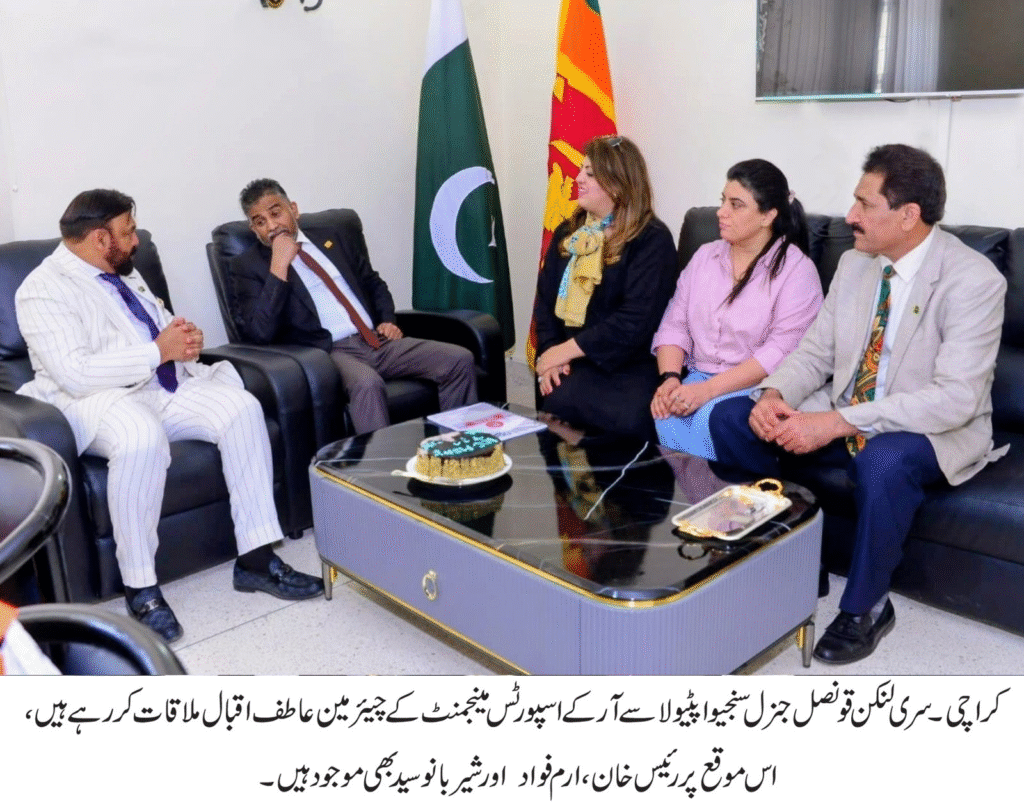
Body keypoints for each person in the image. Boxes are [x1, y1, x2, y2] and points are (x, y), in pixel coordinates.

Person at [708, 144, 1007, 664]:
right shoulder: (854, 264)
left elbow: (954, 399)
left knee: (883, 459)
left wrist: (835, 422)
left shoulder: (974, 281)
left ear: (908, 215)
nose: (850, 217)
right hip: (848, 406)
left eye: (865, 205)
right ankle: (788, 563)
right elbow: (815, 352)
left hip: (930, 427)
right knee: (733, 417)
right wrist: (774, 395)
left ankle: (866, 607)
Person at [14, 189, 323, 643]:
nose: (136, 241)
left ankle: (256, 559)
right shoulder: (42, 289)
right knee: (140, 436)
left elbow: (157, 329)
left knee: (240, 408)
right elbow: (75, 373)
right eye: (128, 233)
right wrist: (158, 350)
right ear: (100, 239)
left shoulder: (123, 271)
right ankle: (142, 589)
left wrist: (183, 339)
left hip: (160, 385)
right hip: (91, 401)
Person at [230, 179, 477, 434]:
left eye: (276, 213)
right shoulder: (248, 266)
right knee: (368, 384)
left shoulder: (331, 238)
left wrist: (387, 319)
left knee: (458, 360)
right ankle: (381, 460)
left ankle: (459, 446)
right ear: (254, 229)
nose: (272, 226)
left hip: (376, 339)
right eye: (260, 222)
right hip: (330, 352)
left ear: (293, 209)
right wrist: (278, 266)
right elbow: (260, 332)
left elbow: (372, 282)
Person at [650, 159, 823, 459]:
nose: (721, 212)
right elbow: (674, 325)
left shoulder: (796, 270)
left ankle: (724, 492)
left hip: (755, 386)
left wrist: (706, 391)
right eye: (722, 201)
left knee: (707, 421)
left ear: (768, 215)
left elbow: (780, 352)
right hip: (697, 376)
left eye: (736, 204)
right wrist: (670, 380)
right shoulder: (704, 257)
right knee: (666, 414)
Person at [532, 135, 678, 439]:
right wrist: (549, 353)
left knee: (618, 419)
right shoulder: (569, 233)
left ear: (617, 184)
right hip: (572, 362)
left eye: (589, 173)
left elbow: (635, 322)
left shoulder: (652, 239)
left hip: (628, 365)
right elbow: (545, 302)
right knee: (557, 404)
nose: (578, 178)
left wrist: (563, 352)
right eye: (581, 170)